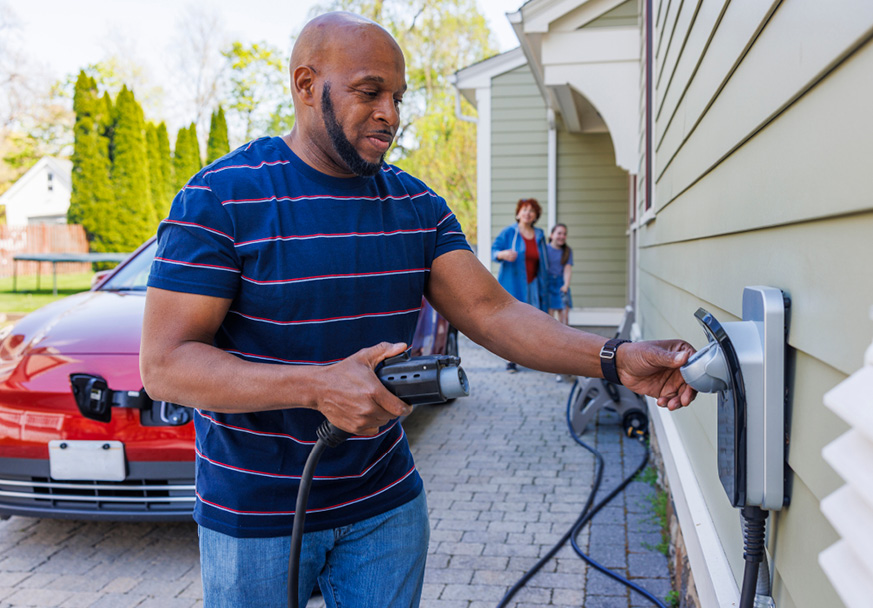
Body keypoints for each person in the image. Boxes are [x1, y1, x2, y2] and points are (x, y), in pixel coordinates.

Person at [139, 11, 696, 608]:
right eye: (369, 92)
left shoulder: (417, 206)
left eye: (398, 97)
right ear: (305, 85)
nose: (392, 115)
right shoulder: (222, 197)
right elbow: (166, 365)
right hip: (256, 514)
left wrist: (616, 359)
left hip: (386, 504)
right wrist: (317, 387)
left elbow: (496, 313)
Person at [490, 198, 549, 372]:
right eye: (524, 210)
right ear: (518, 213)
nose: (528, 213)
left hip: (534, 284)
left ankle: (532, 356)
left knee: (534, 320)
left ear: (535, 216)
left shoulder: (539, 235)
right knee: (514, 321)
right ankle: (511, 359)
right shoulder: (509, 232)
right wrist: (502, 254)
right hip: (513, 284)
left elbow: (544, 261)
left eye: (532, 211)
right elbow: (494, 251)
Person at [546, 223, 573, 326]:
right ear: (552, 235)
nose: (562, 236)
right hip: (548, 284)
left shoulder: (567, 251)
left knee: (564, 317)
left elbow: (567, 268)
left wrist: (566, 285)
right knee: (549, 317)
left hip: (561, 283)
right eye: (559, 233)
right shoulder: (545, 249)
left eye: (564, 234)